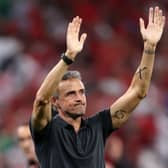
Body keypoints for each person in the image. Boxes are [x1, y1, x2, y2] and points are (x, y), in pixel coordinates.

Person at [30, 6, 165, 168]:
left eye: (81, 92)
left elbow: (138, 92)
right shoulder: (47, 130)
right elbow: (41, 99)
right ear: (56, 102)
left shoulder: (98, 126)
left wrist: (149, 48)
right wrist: (68, 58)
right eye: (71, 94)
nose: (79, 98)